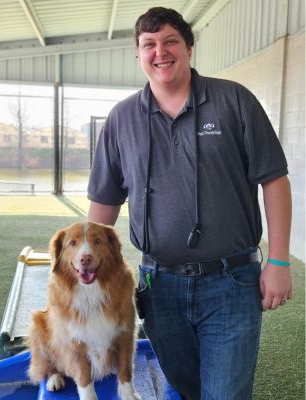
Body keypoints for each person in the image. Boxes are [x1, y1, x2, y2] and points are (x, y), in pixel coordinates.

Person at [87, 7, 292, 400]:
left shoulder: (234, 101)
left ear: (189, 48)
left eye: (170, 41)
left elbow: (274, 180)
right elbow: (104, 207)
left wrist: (279, 261)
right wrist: (91, 279)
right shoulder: (122, 119)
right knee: (186, 391)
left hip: (231, 282)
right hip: (158, 286)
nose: (160, 52)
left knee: (225, 395)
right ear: (138, 54)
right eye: (149, 45)